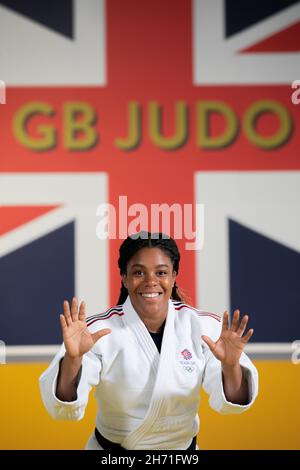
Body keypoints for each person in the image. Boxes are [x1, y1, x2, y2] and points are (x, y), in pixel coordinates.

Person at [39, 231, 258, 450]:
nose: (151, 282)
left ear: (174, 276)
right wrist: (73, 359)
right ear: (124, 278)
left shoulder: (204, 327)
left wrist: (230, 367)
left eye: (161, 272)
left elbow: (233, 404)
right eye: (138, 273)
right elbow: (64, 409)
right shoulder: (97, 331)